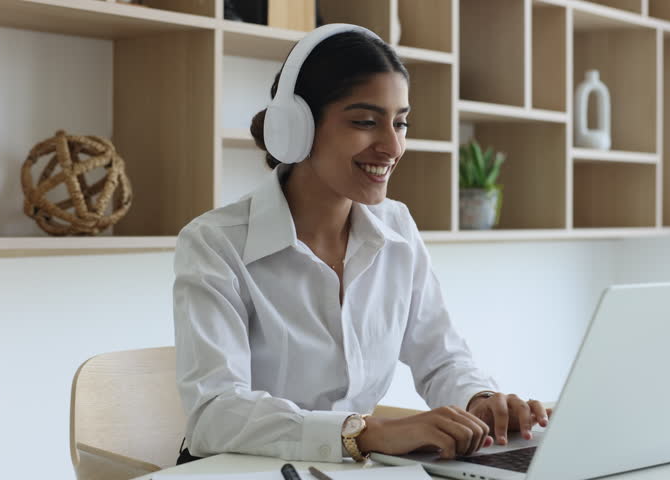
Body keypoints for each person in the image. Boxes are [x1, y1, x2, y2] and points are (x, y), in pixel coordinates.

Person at [172, 24, 550, 466]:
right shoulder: (216, 243)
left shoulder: (397, 229)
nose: (392, 146)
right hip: (244, 470)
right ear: (296, 127)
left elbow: (441, 357)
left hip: (352, 468)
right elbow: (214, 415)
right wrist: (364, 432)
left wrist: (479, 400)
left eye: (401, 122)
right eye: (365, 122)